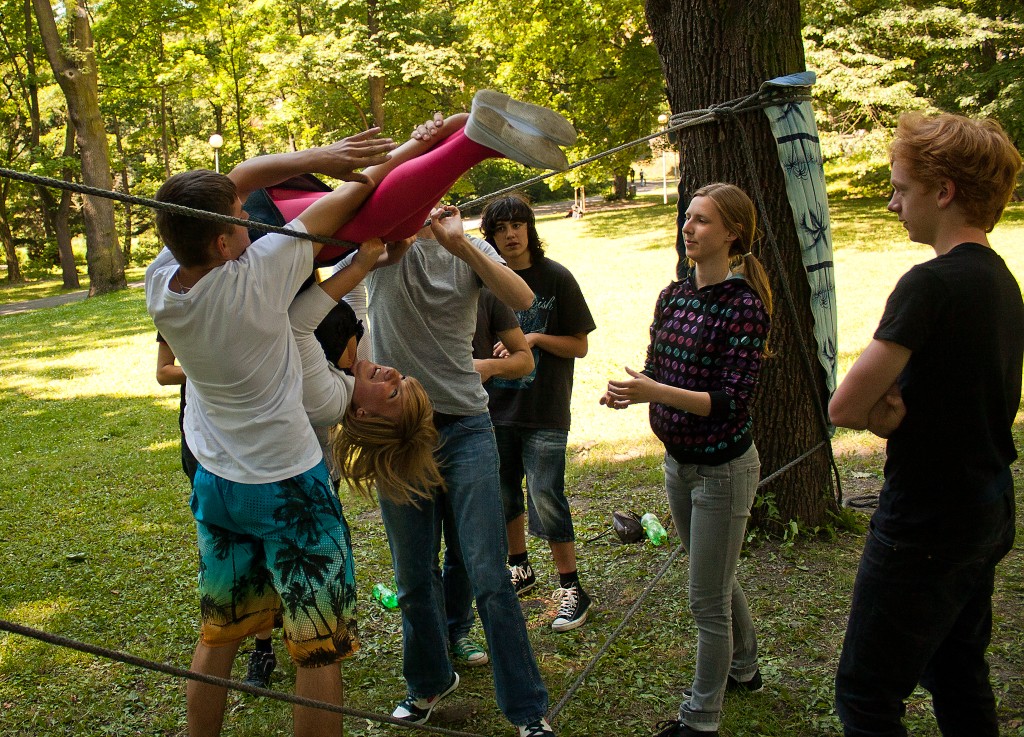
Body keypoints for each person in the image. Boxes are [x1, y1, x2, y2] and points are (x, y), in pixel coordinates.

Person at [829, 113, 1023, 737]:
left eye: (901, 189)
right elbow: (957, 396)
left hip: (927, 520)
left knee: (866, 694)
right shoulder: (1000, 280)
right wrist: (891, 414)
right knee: (957, 669)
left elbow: (844, 408)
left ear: (944, 192)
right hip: (986, 506)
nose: (892, 204)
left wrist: (879, 412)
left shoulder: (930, 284)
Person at [355, 200, 564, 736]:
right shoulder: (385, 242)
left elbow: (523, 298)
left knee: (490, 573)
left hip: (466, 427)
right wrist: (395, 238)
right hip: (403, 434)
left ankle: (527, 711)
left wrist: (462, 245)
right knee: (412, 576)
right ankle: (428, 682)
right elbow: (338, 265)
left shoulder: (468, 247)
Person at [601, 183, 773, 737]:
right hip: (678, 464)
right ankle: (745, 668)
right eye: (688, 217)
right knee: (714, 575)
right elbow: (658, 366)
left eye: (702, 220)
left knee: (706, 601)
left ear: (732, 234)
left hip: (724, 470)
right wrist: (632, 392)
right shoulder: (673, 296)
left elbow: (731, 401)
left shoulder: (744, 306)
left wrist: (655, 393)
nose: (689, 228)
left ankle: (700, 720)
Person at [478, 194, 596, 632]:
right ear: (489, 237)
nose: (510, 235)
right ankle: (520, 567)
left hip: (545, 409)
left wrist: (537, 339)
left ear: (530, 229)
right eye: (500, 228)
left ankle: (571, 586)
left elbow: (580, 346)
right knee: (504, 493)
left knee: (546, 496)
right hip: (495, 408)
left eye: (517, 225)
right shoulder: (483, 282)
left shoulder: (555, 278)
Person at [155, 338, 278, 689]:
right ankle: (240, 639)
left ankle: (264, 644)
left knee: (264, 540)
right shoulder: (179, 313)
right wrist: (210, 372)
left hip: (254, 431)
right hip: (203, 439)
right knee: (226, 552)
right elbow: (163, 372)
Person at [442, 287, 535, 667]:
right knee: (416, 568)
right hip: (412, 433)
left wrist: (489, 366)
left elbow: (524, 358)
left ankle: (457, 631)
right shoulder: (402, 282)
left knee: (469, 552)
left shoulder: (481, 289)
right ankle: (433, 654)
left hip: (469, 428)